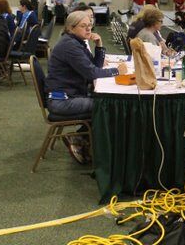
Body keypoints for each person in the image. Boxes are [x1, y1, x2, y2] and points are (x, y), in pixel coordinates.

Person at [45, 11, 127, 163]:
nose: (88, 29)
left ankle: (79, 138)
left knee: (105, 101)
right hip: (62, 101)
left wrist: (99, 45)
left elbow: (94, 66)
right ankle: (80, 138)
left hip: (71, 95)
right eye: (84, 26)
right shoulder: (70, 46)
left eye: (90, 25)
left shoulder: (76, 42)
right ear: (71, 28)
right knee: (106, 105)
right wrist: (117, 71)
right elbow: (92, 73)